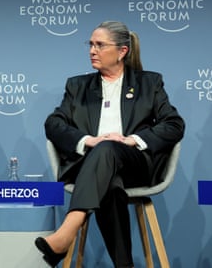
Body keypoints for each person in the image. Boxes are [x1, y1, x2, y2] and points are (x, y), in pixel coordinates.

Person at [35, 21, 185, 268]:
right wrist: (88, 140)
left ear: (122, 51)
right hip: (92, 166)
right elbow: (54, 124)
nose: (92, 50)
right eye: (91, 44)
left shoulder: (149, 83)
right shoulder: (78, 86)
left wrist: (132, 140)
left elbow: (174, 124)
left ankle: (68, 228)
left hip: (134, 164)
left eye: (100, 45)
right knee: (109, 183)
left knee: (109, 151)